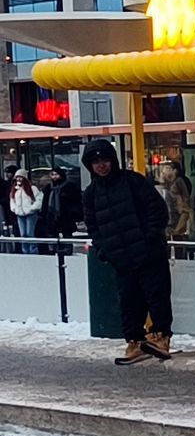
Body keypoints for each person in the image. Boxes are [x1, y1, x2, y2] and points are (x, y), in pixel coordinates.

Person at [81, 140, 174, 365]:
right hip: (120, 257)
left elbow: (157, 210)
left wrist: (150, 238)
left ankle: (161, 337)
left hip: (149, 253)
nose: (101, 165)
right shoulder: (91, 194)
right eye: (96, 161)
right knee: (129, 301)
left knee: (157, 296)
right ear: (90, 165)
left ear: (113, 160)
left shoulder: (133, 181)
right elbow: (93, 226)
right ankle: (134, 340)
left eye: (105, 160)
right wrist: (104, 250)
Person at [42, 167, 82, 246]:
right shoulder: (48, 188)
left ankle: (67, 249)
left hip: (66, 216)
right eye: (52, 174)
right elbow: (45, 202)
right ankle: (54, 249)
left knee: (67, 235)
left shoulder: (69, 186)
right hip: (52, 215)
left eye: (56, 174)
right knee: (52, 235)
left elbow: (76, 200)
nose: (54, 177)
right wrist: (44, 214)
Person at [9, 170, 43, 255]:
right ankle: (25, 251)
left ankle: (33, 251)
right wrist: (15, 209)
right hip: (20, 214)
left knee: (30, 233)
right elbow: (12, 201)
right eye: (17, 177)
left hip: (31, 214)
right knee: (23, 234)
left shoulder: (32, 188)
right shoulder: (15, 189)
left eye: (20, 177)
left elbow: (39, 200)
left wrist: (32, 209)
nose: (18, 179)